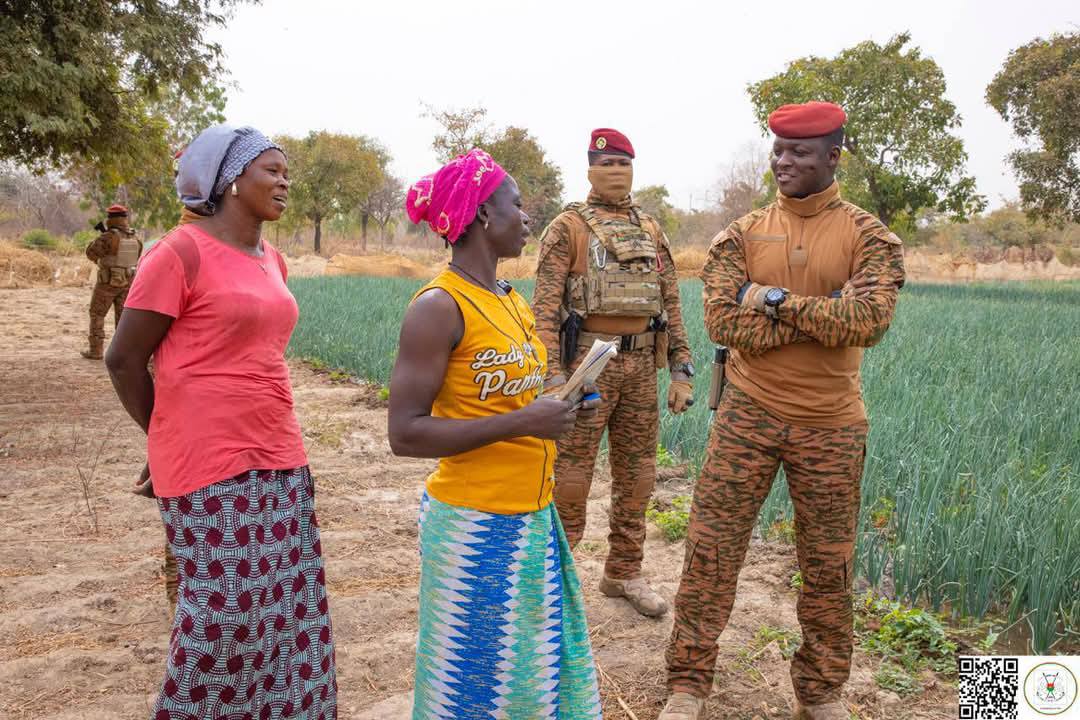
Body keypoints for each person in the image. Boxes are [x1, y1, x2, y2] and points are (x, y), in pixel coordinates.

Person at [658, 102, 906, 720]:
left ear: (833, 156)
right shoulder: (740, 234)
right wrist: (821, 313)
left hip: (832, 424)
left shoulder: (870, 236)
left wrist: (765, 299)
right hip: (748, 414)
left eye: (799, 151)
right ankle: (688, 684)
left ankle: (820, 694)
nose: (784, 161)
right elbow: (720, 320)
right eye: (779, 150)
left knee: (827, 565)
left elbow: (867, 321)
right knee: (712, 550)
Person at [105, 124, 337, 720]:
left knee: (288, 612)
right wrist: (165, 436)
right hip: (207, 461)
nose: (285, 181)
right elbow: (124, 358)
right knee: (222, 620)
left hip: (280, 451)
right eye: (271, 170)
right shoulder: (177, 252)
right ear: (230, 180)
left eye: (287, 171)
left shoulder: (273, 260)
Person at [389, 148, 603, 719]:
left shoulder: (509, 300)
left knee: (531, 681)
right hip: (475, 526)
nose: (528, 217)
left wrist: (561, 402)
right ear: (483, 215)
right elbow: (404, 433)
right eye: (517, 204)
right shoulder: (438, 306)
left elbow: (512, 396)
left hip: (532, 516)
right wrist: (525, 422)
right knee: (475, 688)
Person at [531, 128, 695, 618]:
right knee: (572, 479)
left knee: (639, 477)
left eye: (624, 163)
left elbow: (671, 302)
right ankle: (554, 582)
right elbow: (543, 309)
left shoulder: (651, 227)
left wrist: (681, 368)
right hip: (587, 365)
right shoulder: (568, 228)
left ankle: (623, 572)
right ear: (588, 170)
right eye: (606, 164)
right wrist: (553, 377)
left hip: (642, 365)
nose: (616, 172)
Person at [82, 204, 142, 359]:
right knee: (123, 319)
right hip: (128, 282)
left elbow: (91, 253)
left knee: (97, 314)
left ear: (111, 219)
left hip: (107, 283)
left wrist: (100, 239)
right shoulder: (134, 236)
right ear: (125, 219)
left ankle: (96, 350)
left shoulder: (108, 237)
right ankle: (123, 352)